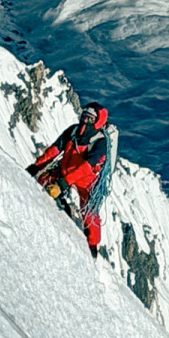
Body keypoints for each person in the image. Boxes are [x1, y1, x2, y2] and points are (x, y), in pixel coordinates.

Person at [27, 102, 113, 257]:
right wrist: (37, 166)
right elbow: (54, 149)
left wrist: (63, 183)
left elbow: (86, 168)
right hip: (65, 172)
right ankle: (63, 205)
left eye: (90, 119)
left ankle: (92, 246)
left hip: (86, 182)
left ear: (97, 121)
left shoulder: (100, 142)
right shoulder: (73, 131)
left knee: (90, 214)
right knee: (44, 180)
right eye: (84, 117)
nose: (85, 121)